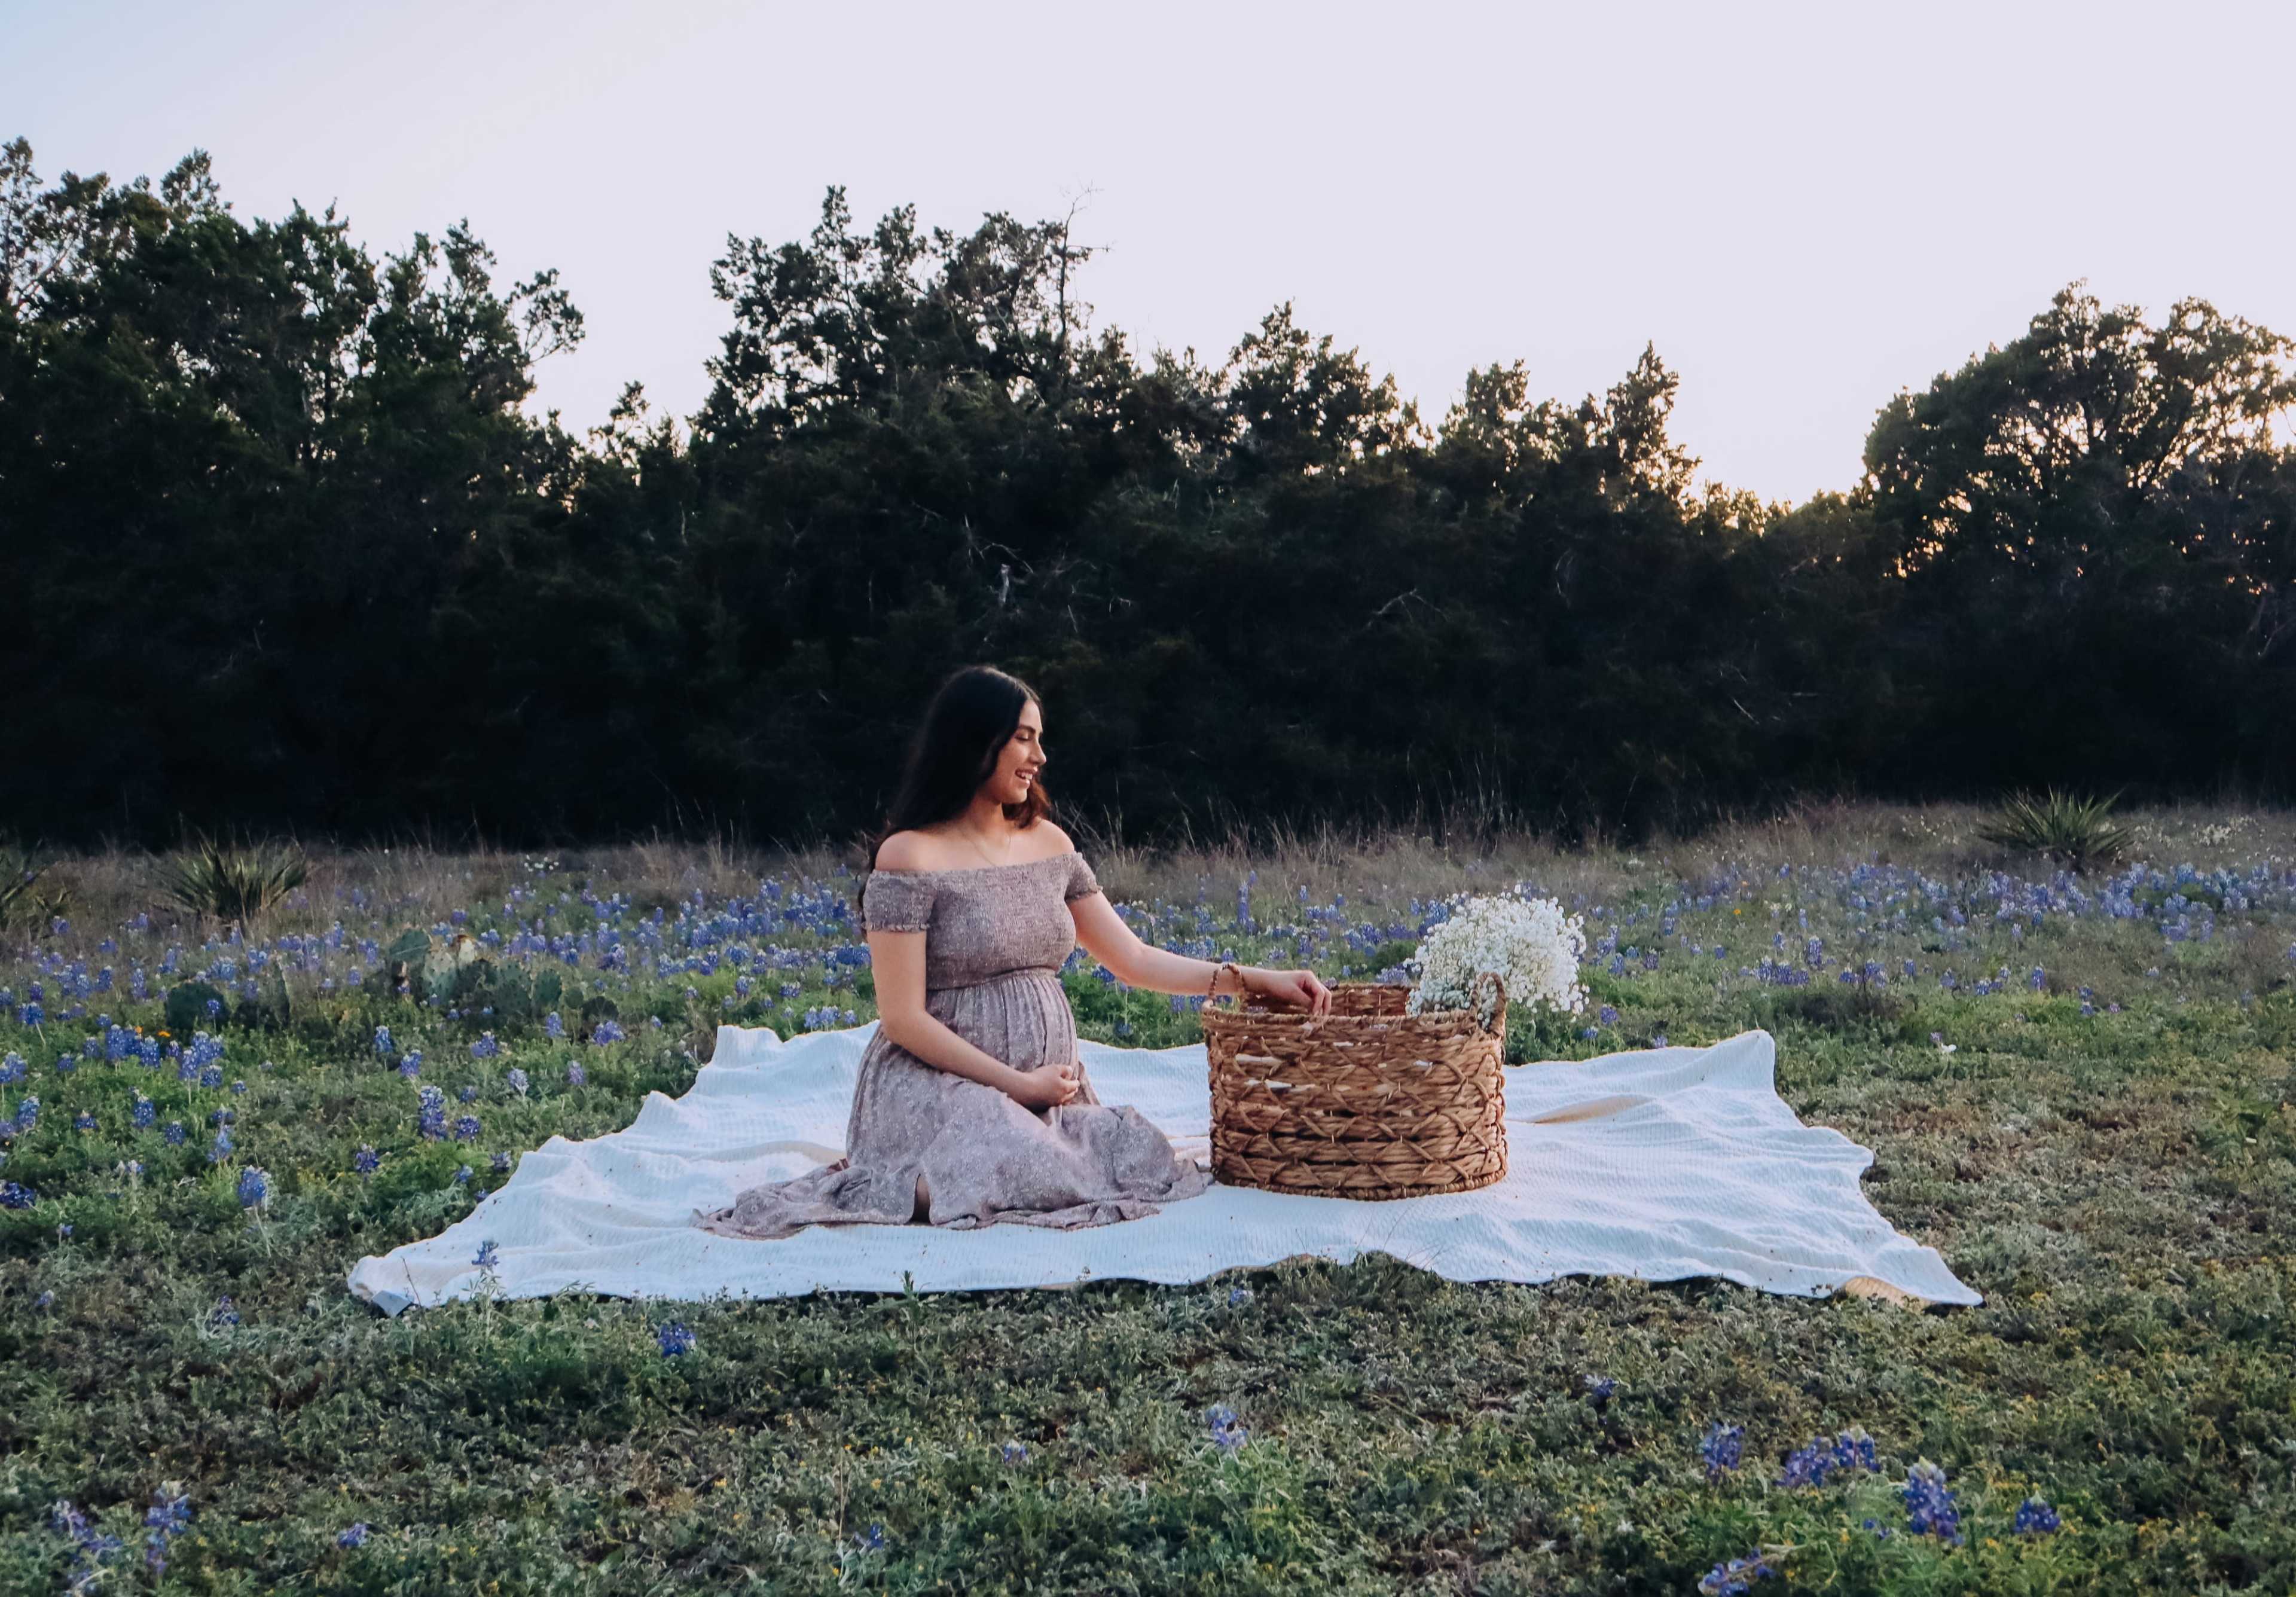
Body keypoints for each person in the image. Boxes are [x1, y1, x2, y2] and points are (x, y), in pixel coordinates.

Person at [692, 664, 1332, 1240]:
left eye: (1039, 738)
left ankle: (979, 1166)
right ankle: (905, 1175)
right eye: (1025, 737)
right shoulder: (911, 856)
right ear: (977, 741)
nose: (1040, 756)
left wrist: (1253, 980)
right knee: (1005, 1148)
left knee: (1137, 1151)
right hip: (938, 1085)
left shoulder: (1050, 844)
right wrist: (1017, 1085)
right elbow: (902, 1018)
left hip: (1047, 1093)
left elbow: (1133, 958)